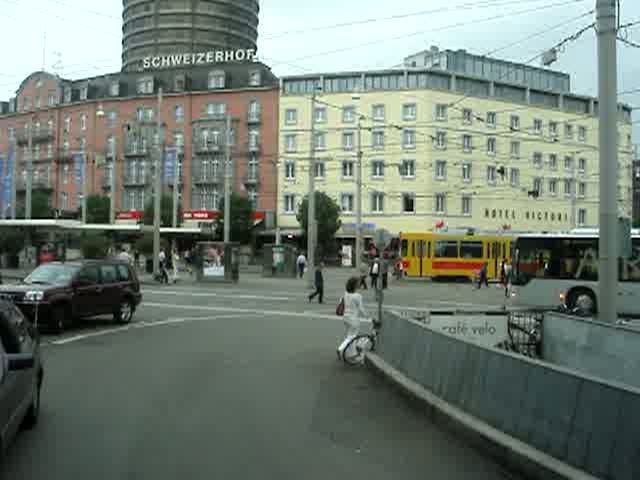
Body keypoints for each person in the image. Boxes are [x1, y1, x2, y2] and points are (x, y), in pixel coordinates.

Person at [337, 276, 370, 360]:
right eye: (358, 283)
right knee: (352, 336)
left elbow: (341, 302)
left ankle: (349, 352)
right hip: (353, 319)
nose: (359, 284)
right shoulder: (357, 296)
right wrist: (368, 316)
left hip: (345, 317)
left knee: (350, 335)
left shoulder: (345, 293)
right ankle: (341, 349)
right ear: (355, 285)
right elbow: (361, 308)